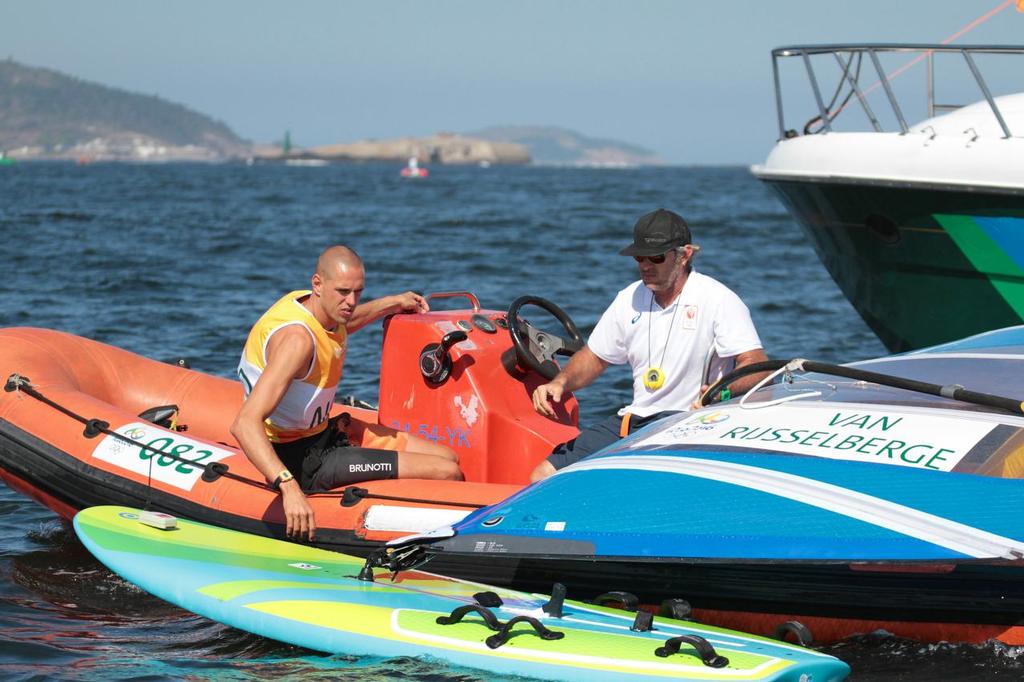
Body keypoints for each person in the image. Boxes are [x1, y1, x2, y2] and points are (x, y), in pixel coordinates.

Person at [231, 245, 461, 540]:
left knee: (448, 456)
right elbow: (244, 423)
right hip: (301, 458)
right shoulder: (297, 342)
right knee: (446, 472)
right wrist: (288, 487)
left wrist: (393, 302)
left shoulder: (310, 305)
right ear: (318, 284)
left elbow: (346, 322)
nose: (350, 302)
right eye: (343, 292)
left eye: (358, 292)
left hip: (323, 432)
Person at [530, 208, 768, 481]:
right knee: (541, 476)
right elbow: (595, 357)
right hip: (634, 422)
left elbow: (756, 366)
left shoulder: (718, 299)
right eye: (639, 257)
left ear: (685, 255)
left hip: (687, 423)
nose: (645, 265)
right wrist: (560, 383)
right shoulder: (628, 298)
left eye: (656, 257)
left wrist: (719, 392)